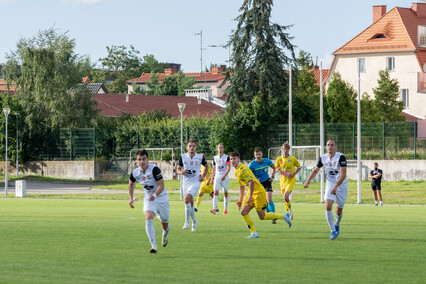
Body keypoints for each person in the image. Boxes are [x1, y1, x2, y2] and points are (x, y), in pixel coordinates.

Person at [230, 151, 291, 238]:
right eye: (231, 159)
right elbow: (242, 186)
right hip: (251, 192)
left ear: (238, 159)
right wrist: (240, 200)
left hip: (259, 192)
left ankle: (283, 216)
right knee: (243, 212)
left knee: (262, 216)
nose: (233, 161)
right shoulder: (236, 171)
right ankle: (254, 233)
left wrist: (250, 197)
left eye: (234, 159)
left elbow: (251, 182)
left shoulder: (242, 169)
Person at [128, 149, 171, 254]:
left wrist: (155, 195)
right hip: (149, 198)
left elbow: (161, 185)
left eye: (144, 159)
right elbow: (131, 184)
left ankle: (165, 233)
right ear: (136, 161)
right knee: (148, 217)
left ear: (148, 159)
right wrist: (131, 198)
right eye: (139, 160)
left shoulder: (154, 169)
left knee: (164, 225)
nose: (142, 162)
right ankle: (153, 245)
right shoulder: (135, 173)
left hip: (161, 197)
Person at [304, 140, 348, 240]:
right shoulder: (323, 157)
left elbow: (343, 174)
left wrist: (336, 186)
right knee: (328, 206)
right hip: (330, 183)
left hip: (341, 185)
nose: (330, 147)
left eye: (332, 145)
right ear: (326, 147)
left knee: (339, 211)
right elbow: (315, 170)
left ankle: (336, 223)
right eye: (328, 145)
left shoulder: (341, 157)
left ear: (336, 147)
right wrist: (308, 180)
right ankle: (333, 231)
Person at [176, 140, 208, 232]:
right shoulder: (183, 157)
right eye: (190, 146)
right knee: (190, 203)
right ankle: (194, 221)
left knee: (186, 199)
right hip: (186, 183)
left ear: (196, 147)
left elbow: (206, 166)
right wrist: (181, 172)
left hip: (195, 182)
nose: (191, 147)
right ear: (187, 147)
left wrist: (203, 176)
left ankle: (186, 222)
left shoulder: (200, 157)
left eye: (193, 146)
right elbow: (178, 169)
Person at [248, 147, 277, 224]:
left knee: (269, 198)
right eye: (256, 154)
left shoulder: (267, 161)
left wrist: (272, 177)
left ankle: (274, 217)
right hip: (258, 185)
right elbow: (247, 174)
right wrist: (253, 180)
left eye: (259, 154)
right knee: (263, 200)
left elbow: (274, 168)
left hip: (267, 182)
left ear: (262, 154)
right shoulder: (252, 165)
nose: (258, 156)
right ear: (254, 155)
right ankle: (267, 208)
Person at [275, 142, 301, 220]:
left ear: (289, 149)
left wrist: (293, 174)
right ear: (282, 149)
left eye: (286, 149)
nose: (285, 150)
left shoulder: (293, 159)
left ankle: (289, 211)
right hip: (282, 181)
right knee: (285, 199)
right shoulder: (279, 159)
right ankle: (288, 211)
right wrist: (277, 169)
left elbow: (299, 167)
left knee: (285, 196)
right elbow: (276, 168)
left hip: (290, 181)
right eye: (283, 149)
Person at [210, 143, 231, 215]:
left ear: (223, 149)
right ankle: (214, 208)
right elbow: (214, 168)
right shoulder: (215, 157)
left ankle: (225, 209)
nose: (220, 149)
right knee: (215, 192)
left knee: (225, 193)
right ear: (217, 149)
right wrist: (212, 178)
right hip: (217, 177)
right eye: (219, 147)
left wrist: (224, 175)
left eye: (221, 147)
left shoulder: (227, 157)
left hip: (225, 177)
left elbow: (228, 168)